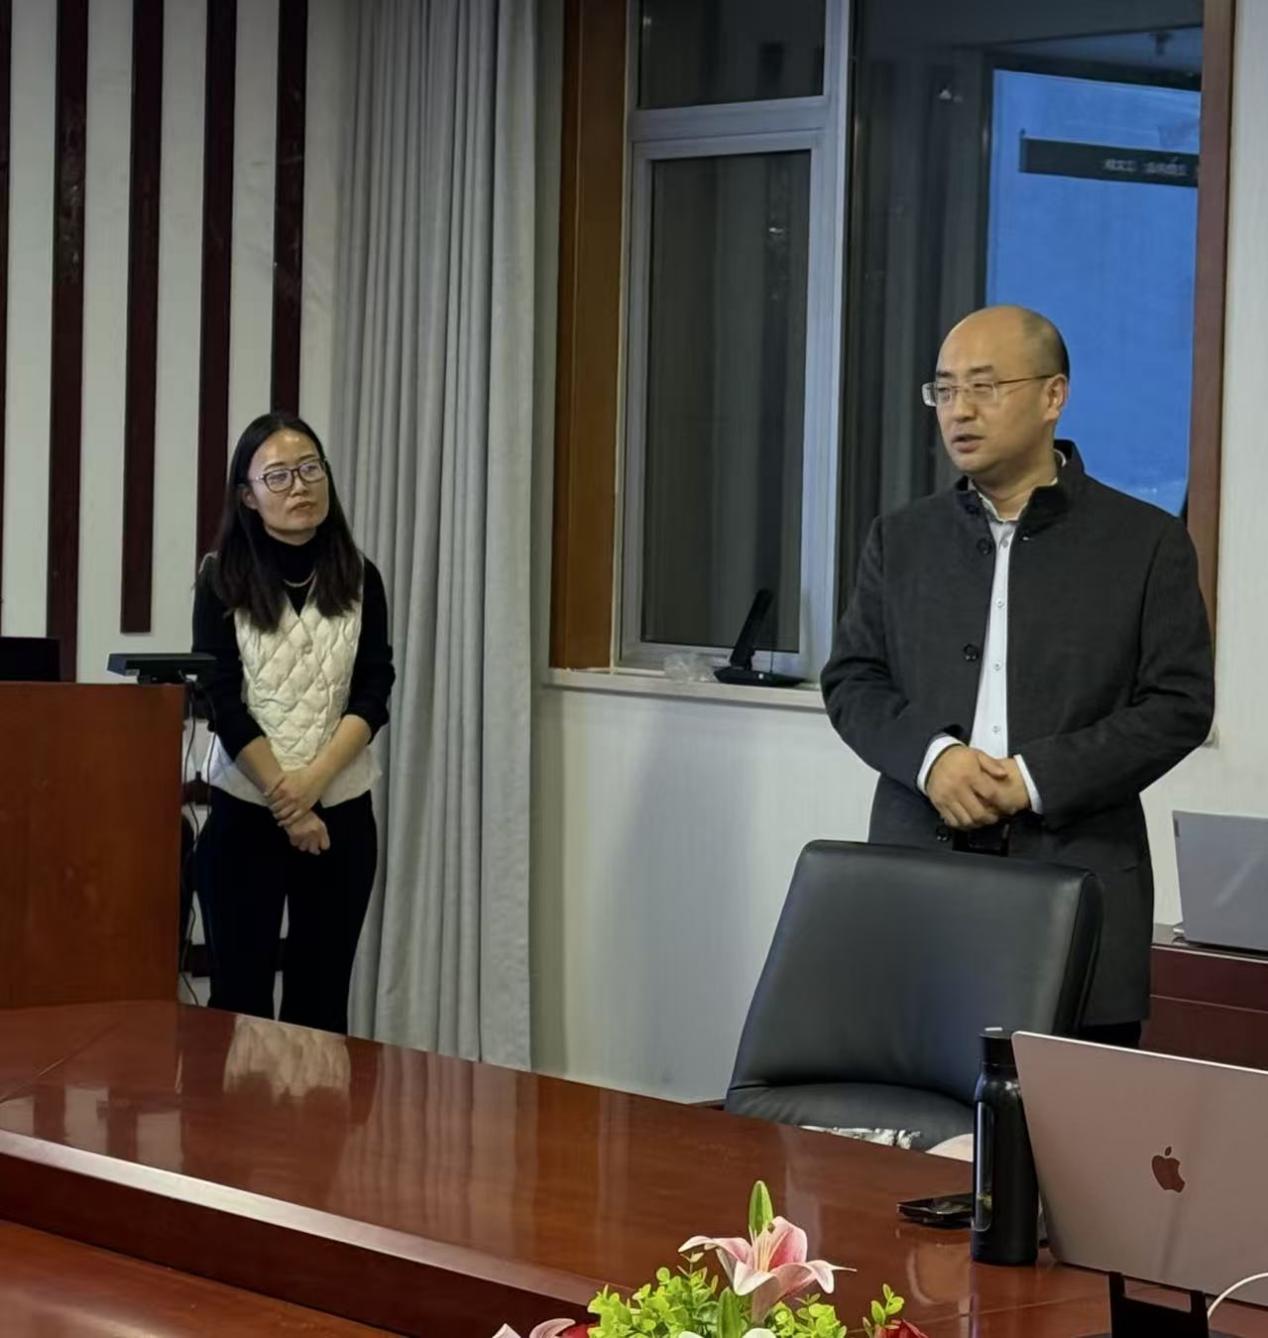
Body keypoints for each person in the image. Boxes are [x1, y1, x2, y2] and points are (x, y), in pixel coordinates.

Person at [821, 306, 1214, 1045]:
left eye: (984, 386)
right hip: (919, 875)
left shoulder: (1145, 543)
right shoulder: (902, 539)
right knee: (913, 1103)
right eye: (944, 390)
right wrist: (934, 760)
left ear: (1052, 396)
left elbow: (1177, 705)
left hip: (1079, 875)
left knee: (1073, 1112)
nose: (959, 410)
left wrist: (1034, 779)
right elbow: (853, 681)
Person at [193, 412, 395, 1034]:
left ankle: (317, 1108)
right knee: (240, 1008)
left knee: (321, 1003)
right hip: (244, 814)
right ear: (247, 496)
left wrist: (312, 787)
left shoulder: (360, 576)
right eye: (277, 476)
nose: (299, 486)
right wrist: (288, 801)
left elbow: (374, 690)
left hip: (341, 817)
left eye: (310, 469)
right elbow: (221, 697)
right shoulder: (221, 577)